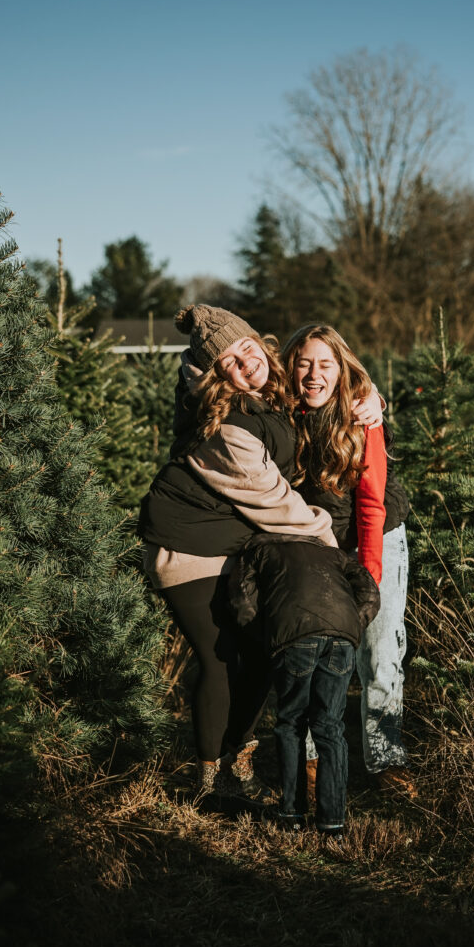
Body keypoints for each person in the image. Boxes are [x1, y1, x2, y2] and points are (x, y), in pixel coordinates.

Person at [137, 304, 338, 799]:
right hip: (185, 545)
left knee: (260, 657)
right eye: (229, 361)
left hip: (230, 541)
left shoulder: (271, 390)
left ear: (259, 344)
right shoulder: (227, 425)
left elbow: (329, 373)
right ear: (215, 375)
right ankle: (209, 781)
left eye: (247, 350)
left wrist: (370, 399)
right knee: (223, 659)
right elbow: (272, 501)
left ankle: (237, 761)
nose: (246, 364)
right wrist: (330, 543)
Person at [282, 324, 415, 798]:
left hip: (376, 537)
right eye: (303, 363)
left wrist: (371, 578)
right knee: (314, 654)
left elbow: (373, 503)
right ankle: (314, 760)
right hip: (318, 547)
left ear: (342, 370)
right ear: (289, 368)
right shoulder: (280, 413)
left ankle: (385, 759)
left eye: (325, 364)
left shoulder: (363, 414)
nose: (313, 375)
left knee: (380, 654)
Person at [229, 533, 379, 838]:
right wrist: (352, 623)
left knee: (291, 723)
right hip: (342, 637)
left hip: (293, 637)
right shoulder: (332, 553)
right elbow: (370, 592)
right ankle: (333, 825)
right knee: (330, 726)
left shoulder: (257, 549)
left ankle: (293, 816)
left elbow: (241, 599)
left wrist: (269, 634)